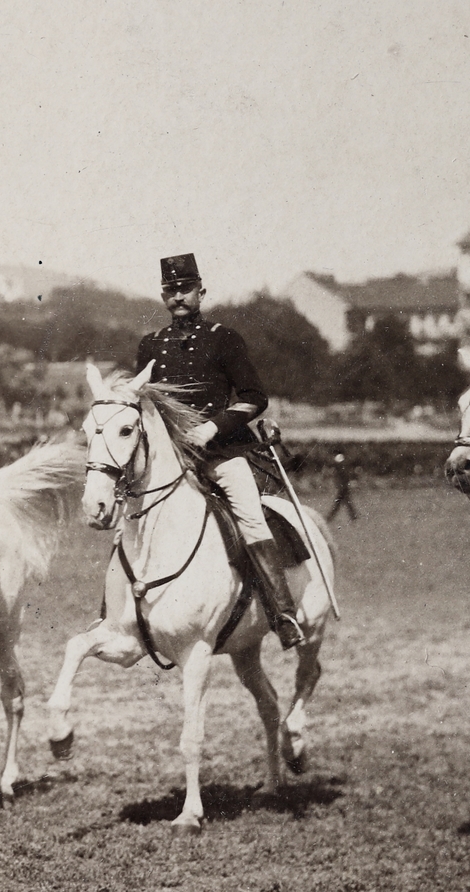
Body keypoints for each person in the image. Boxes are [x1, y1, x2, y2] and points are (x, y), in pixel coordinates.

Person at [136, 253, 305, 649]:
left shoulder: (223, 338)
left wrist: (213, 427)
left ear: (200, 291)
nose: (178, 297)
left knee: (250, 516)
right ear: (163, 296)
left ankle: (283, 614)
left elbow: (253, 398)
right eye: (171, 291)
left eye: (185, 289)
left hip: (222, 453)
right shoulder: (150, 345)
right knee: (133, 517)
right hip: (172, 460)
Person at [326, 451, 359, 523]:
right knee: (346, 503)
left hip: (343, 488)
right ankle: (354, 517)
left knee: (340, 503)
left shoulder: (341, 470)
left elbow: (343, 479)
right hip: (344, 488)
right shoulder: (343, 469)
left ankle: (330, 517)